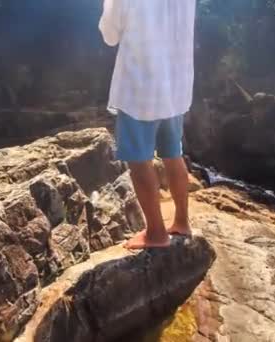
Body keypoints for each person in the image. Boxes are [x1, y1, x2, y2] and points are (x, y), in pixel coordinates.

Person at [99, 0, 196, 249]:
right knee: (173, 153)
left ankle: (156, 234)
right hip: (174, 85)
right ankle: (182, 222)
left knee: (140, 162)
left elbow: (110, 34)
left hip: (140, 87)